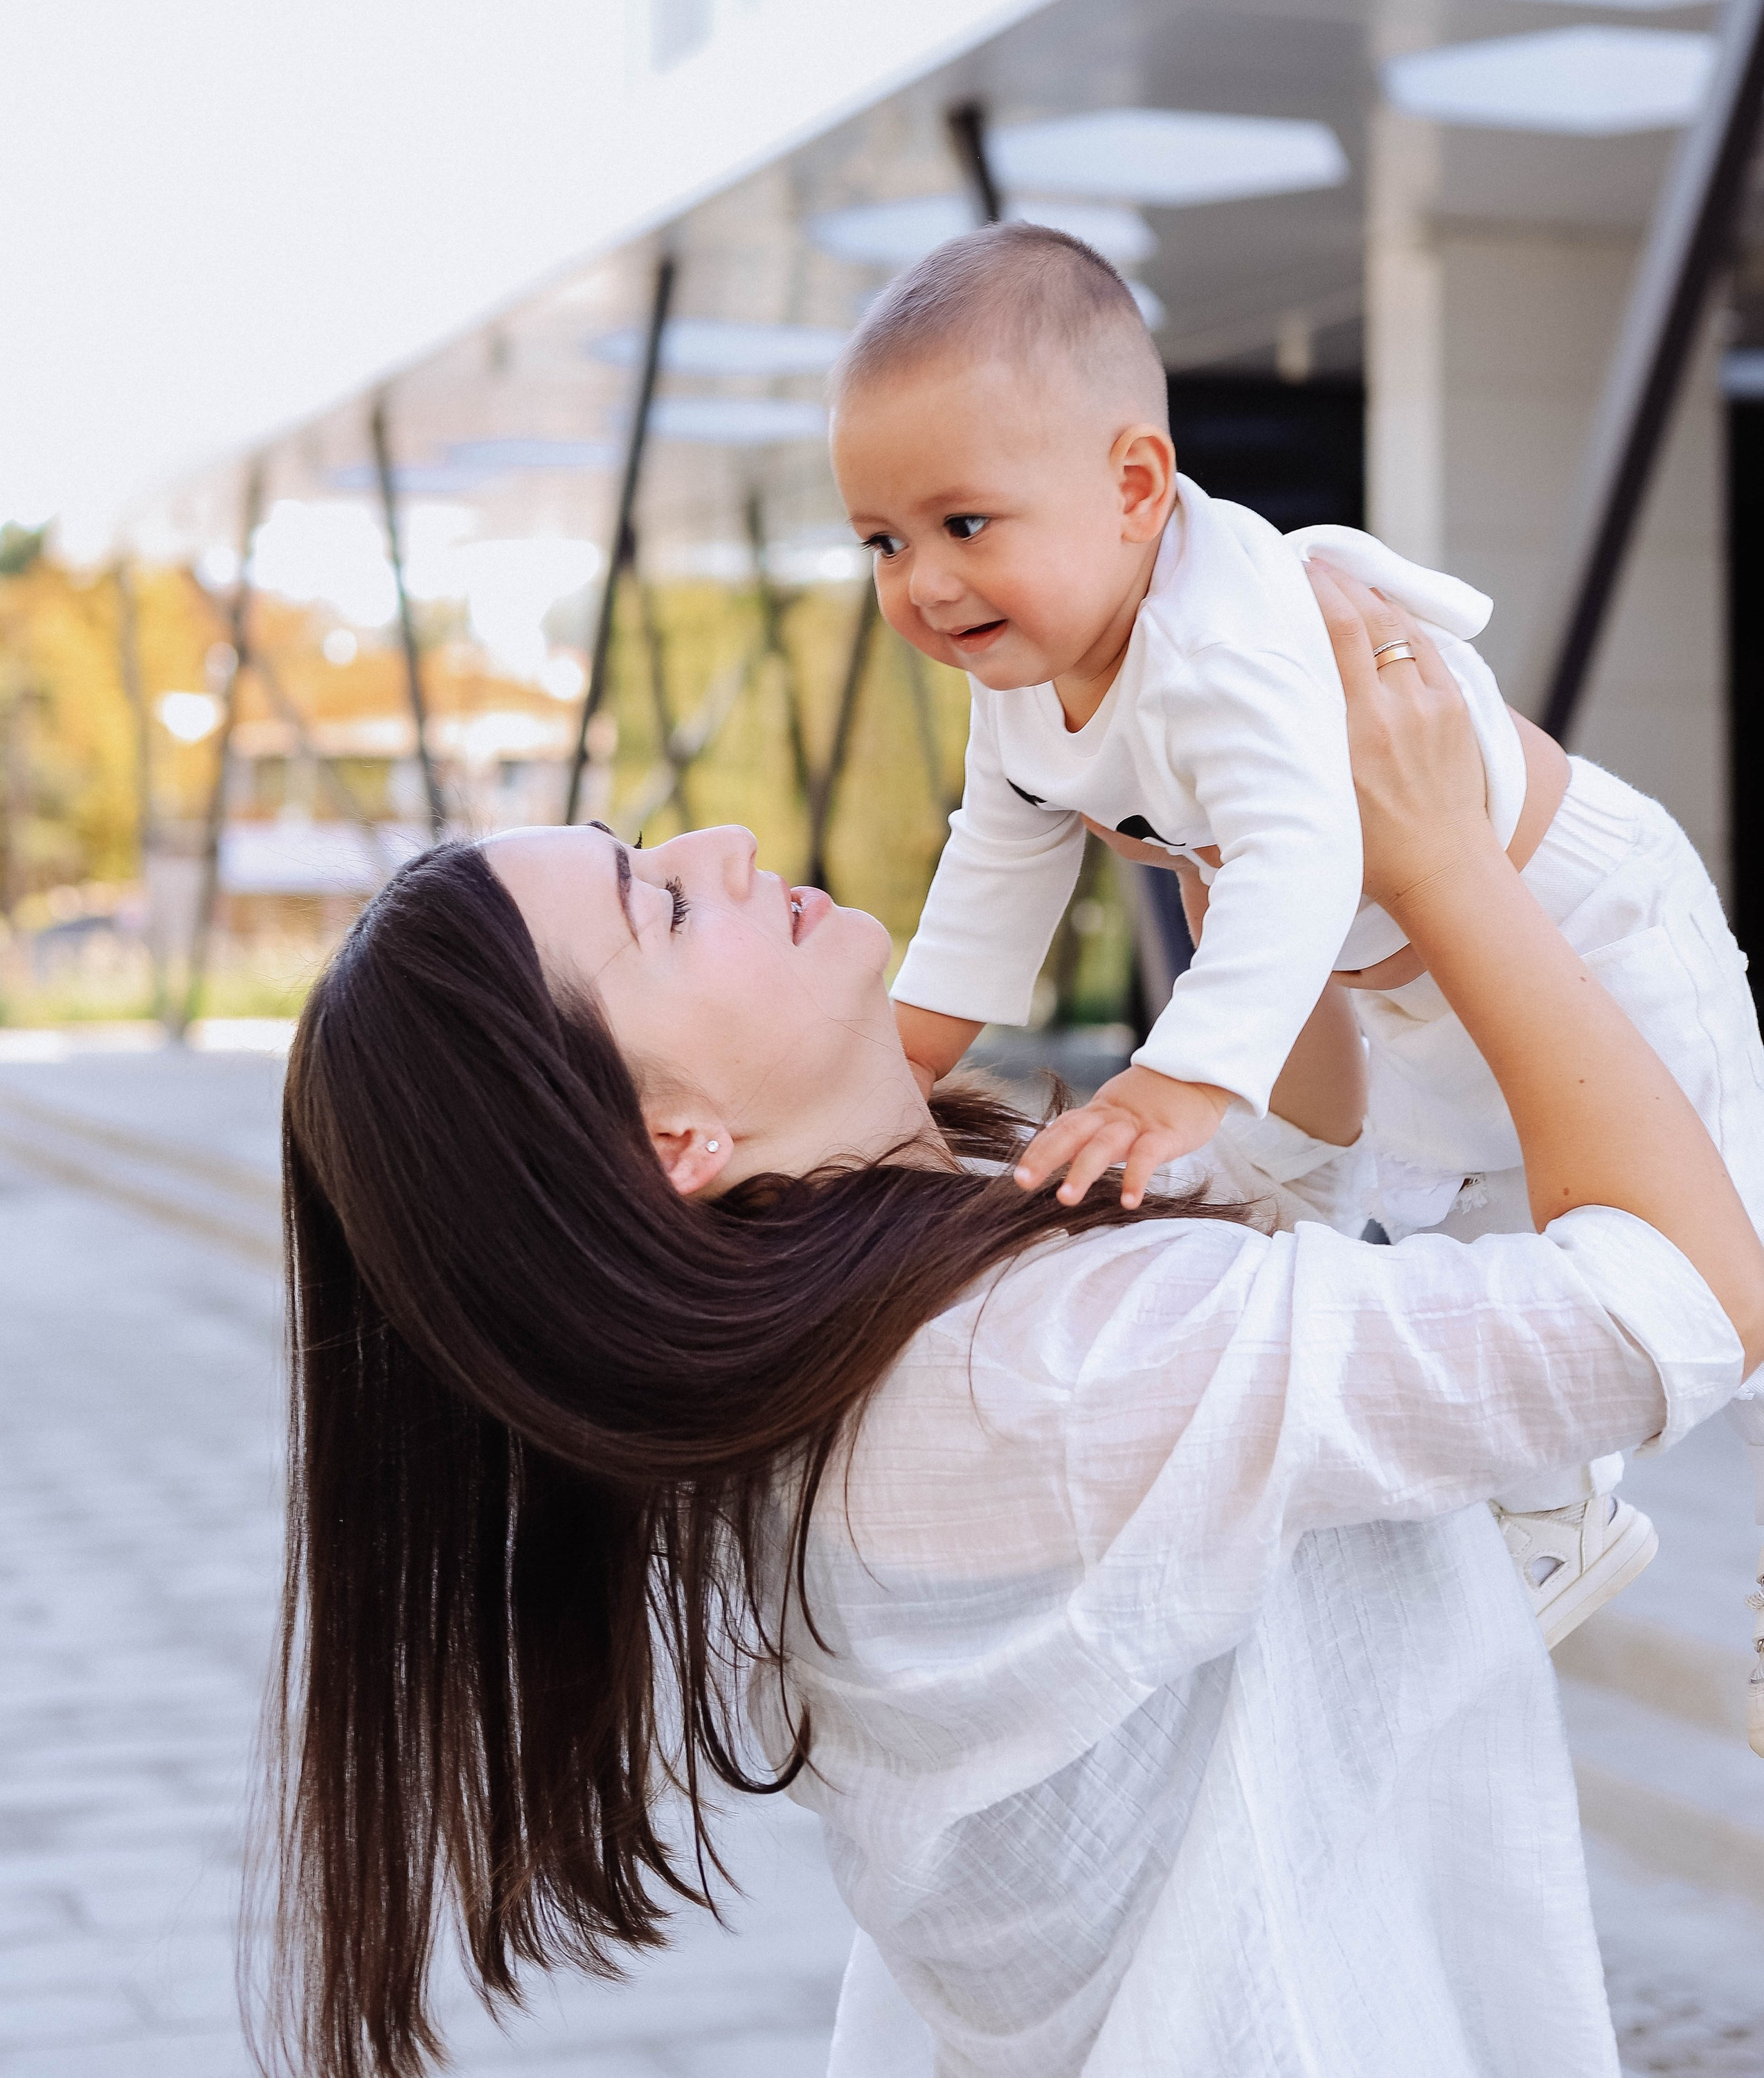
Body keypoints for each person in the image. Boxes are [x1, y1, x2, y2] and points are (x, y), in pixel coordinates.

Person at [262, 568, 1764, 2078]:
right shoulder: (1018, 1369)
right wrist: (1446, 863)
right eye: (655, 903)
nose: (717, 846)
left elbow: (1275, 1190)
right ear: (671, 1138)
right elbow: (1681, 1297)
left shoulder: (876, 1339)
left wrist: (1263, 912)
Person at [829, 221, 1764, 1663]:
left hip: (1586, 923)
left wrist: (1183, 1072)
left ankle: (1590, 1520)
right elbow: (998, 856)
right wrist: (907, 1052)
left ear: (1134, 485)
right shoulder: (1020, 671)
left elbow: (1301, 852)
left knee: (1695, 1240)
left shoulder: (1217, 638)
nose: (924, 584)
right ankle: (1532, 1508)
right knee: (1480, 1240)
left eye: (962, 525)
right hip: (1407, 994)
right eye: (881, 541)